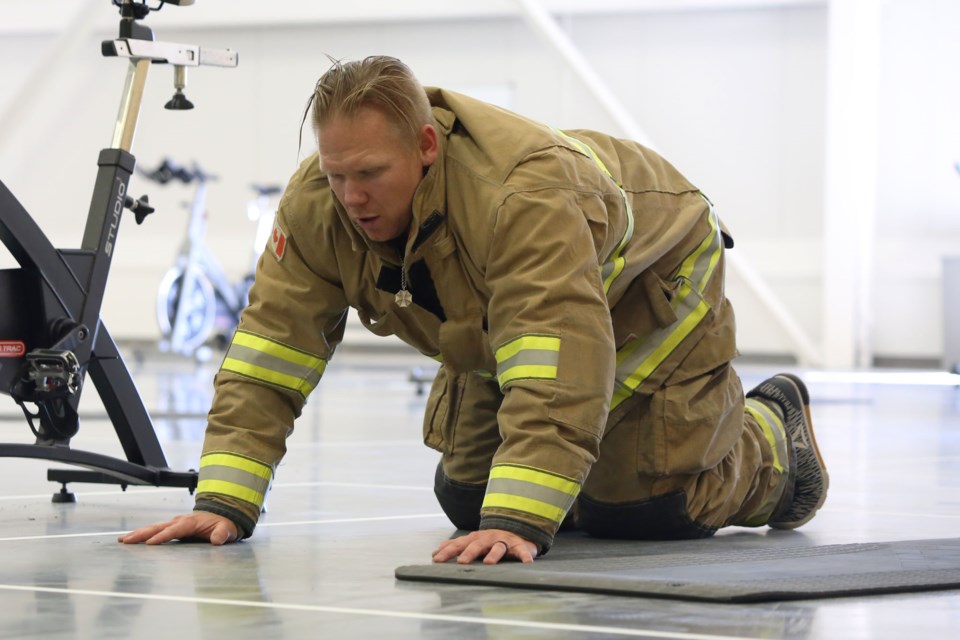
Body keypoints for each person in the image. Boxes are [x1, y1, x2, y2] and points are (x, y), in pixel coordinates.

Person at [119, 56, 829, 564]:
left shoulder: (523, 198)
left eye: (371, 174)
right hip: (502, 314)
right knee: (468, 501)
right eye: (338, 175)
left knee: (639, 505)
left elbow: (554, 358)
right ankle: (584, 484)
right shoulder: (318, 206)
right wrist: (223, 502)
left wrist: (523, 519)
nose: (352, 196)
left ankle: (771, 442)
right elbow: (270, 350)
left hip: (652, 279)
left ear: (427, 147)